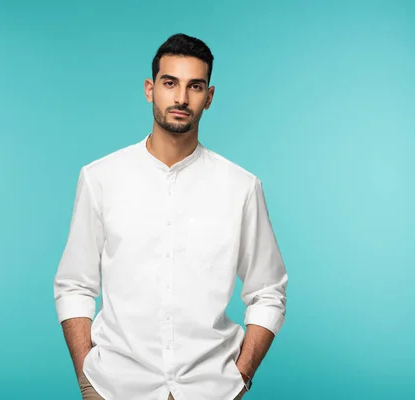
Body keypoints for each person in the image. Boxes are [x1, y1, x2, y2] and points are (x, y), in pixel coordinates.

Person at [53, 33, 288, 400]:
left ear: (209, 97)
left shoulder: (241, 187)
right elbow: (74, 285)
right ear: (150, 89)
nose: (181, 98)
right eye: (169, 83)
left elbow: (268, 290)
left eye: (195, 86)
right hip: (115, 388)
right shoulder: (100, 178)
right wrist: (87, 376)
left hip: (211, 389)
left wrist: (241, 375)